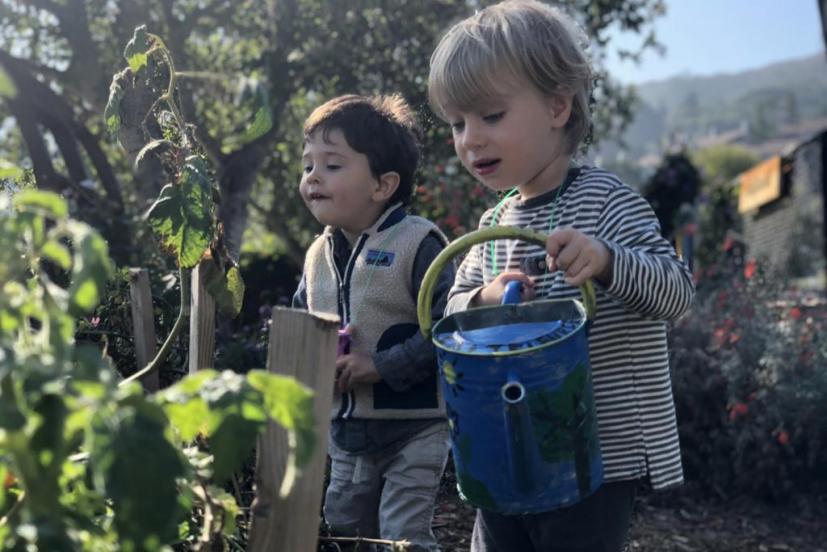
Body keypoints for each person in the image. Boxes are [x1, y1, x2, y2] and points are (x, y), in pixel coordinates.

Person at [427, 2, 695, 551]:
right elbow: (451, 311)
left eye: (491, 116)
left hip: (595, 458)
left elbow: (677, 292)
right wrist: (485, 296)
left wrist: (608, 259)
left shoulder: (608, 203)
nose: (470, 139)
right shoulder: (494, 224)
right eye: (458, 123)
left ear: (556, 106)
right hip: (504, 447)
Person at [292, 93, 454, 552]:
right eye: (308, 166)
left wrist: (382, 365)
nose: (313, 178)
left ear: (382, 185)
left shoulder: (418, 243)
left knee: (402, 532)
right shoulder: (316, 256)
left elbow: (449, 326)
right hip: (347, 430)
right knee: (345, 525)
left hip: (415, 426)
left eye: (333, 165)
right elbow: (302, 330)